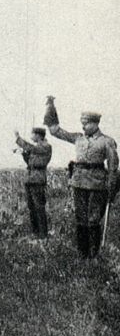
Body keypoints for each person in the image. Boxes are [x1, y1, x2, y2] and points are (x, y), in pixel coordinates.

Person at [45, 98, 119, 258]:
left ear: (95, 123)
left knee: (93, 219)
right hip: (78, 182)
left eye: (86, 123)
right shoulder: (78, 138)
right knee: (80, 217)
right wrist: (50, 107)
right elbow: (55, 131)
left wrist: (112, 188)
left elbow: (113, 167)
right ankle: (82, 253)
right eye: (82, 123)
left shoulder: (107, 142)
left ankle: (94, 254)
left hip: (97, 184)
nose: (83, 126)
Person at [15, 128, 52, 238]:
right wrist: (24, 154)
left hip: (38, 179)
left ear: (38, 135)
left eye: (33, 134)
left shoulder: (45, 146)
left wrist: (18, 138)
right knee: (32, 207)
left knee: (39, 207)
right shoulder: (37, 148)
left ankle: (43, 234)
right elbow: (30, 162)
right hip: (30, 179)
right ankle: (35, 232)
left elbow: (31, 148)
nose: (31, 136)